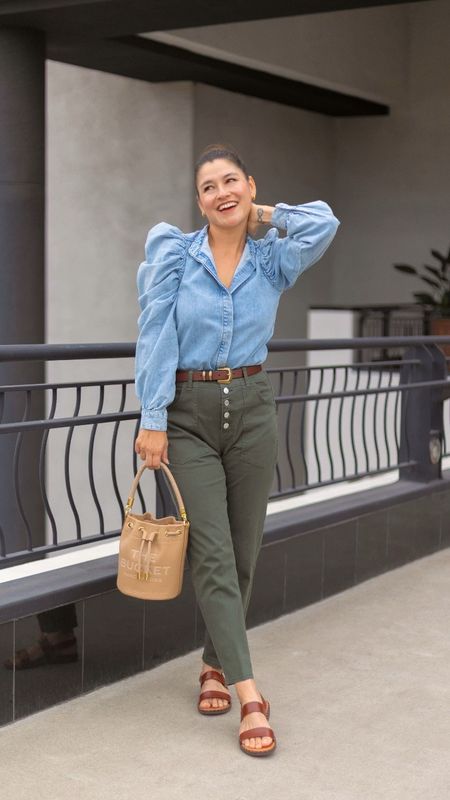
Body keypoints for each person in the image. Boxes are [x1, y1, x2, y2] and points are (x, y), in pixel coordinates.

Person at [133, 143, 340, 757]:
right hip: (188, 414)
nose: (221, 193)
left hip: (252, 408)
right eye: (208, 187)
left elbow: (325, 222)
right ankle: (251, 694)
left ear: (250, 186)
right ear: (197, 202)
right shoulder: (174, 256)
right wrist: (152, 419)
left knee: (246, 548)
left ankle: (213, 665)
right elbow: (154, 337)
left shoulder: (274, 259)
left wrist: (267, 214)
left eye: (231, 182)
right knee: (214, 552)